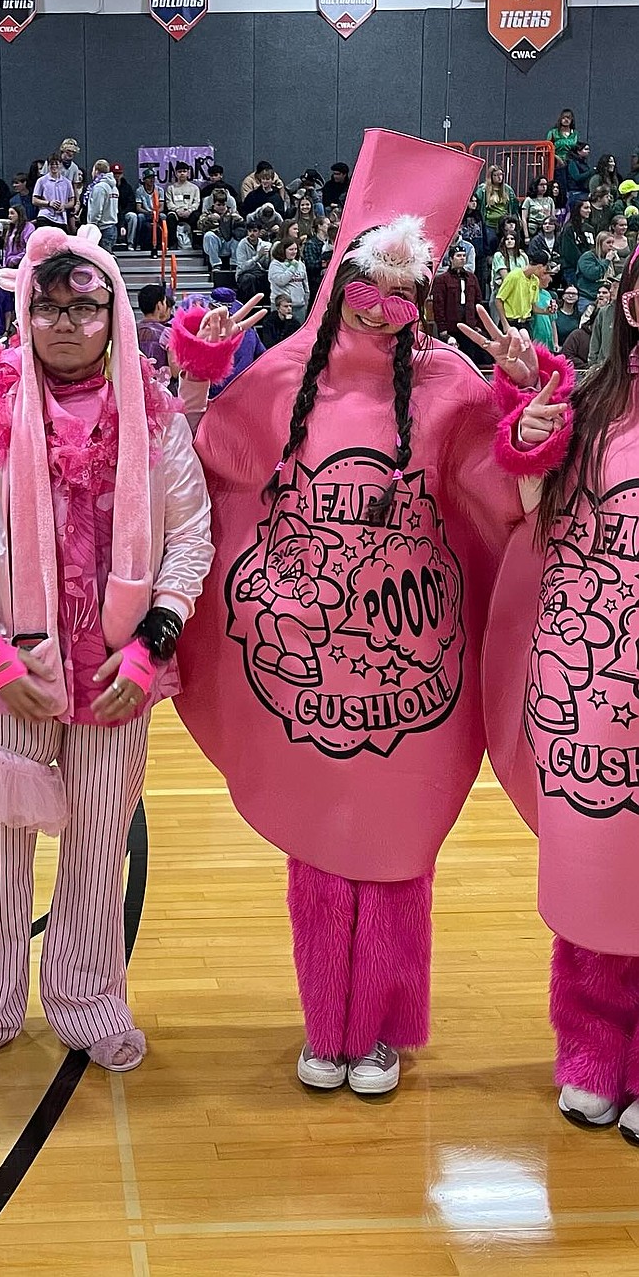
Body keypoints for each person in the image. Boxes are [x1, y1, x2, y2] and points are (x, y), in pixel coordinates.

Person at [175, 136, 554, 1100]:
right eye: (369, 284)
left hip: (410, 668)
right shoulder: (280, 382)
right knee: (319, 849)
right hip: (309, 672)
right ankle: (327, 1024)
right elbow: (198, 472)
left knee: (393, 854)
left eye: (402, 289)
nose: (384, 307)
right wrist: (195, 375)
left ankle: (382, 1028)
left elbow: (500, 497)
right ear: (341, 279)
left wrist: (518, 407)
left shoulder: (444, 388)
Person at [0, 223, 216, 1078]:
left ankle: (88, 996)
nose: (64, 324)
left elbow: (189, 539)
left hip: (119, 671)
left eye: (83, 307)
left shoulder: (156, 419)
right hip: (11, 669)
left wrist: (151, 645)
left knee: (99, 836)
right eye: (47, 308)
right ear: (24, 312)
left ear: (112, 314)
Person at [484, 242, 639, 1147]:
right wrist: (524, 418)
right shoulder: (590, 407)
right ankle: (588, 1053)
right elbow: (523, 486)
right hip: (586, 676)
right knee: (590, 870)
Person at [433, 244, 485, 365]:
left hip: (469, 326)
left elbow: (478, 301)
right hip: (451, 327)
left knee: (470, 360)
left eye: (463, 256)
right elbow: (438, 305)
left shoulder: (472, 278)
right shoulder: (442, 280)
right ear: (451, 259)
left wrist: (478, 324)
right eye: (458, 256)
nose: (462, 258)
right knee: (452, 361)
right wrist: (442, 328)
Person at [476, 164, 520, 254]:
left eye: (500, 175)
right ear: (490, 176)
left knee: (506, 244)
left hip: (504, 225)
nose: (499, 177)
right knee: (491, 245)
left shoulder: (508, 189)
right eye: (495, 175)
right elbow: (477, 204)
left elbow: (514, 206)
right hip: (489, 224)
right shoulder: (483, 189)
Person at [267, 238, 311, 322]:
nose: (294, 252)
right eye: (291, 249)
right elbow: (281, 281)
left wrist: (305, 301)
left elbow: (305, 285)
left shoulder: (300, 264)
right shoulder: (275, 264)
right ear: (283, 250)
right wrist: (292, 267)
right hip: (281, 307)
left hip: (299, 306)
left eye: (295, 249)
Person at [199, 191, 241, 274]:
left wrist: (240, 220)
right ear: (214, 204)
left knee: (237, 236)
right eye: (219, 205)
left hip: (228, 242)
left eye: (223, 205)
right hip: (215, 243)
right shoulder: (207, 213)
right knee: (209, 235)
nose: (221, 207)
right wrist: (209, 219)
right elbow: (200, 226)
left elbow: (242, 228)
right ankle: (216, 264)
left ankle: (234, 264)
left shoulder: (233, 213)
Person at [32, 154, 75, 233]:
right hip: (45, 216)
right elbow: (34, 200)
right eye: (52, 164)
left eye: (56, 164)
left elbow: (72, 201)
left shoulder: (67, 182)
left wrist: (64, 206)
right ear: (48, 166)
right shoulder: (41, 181)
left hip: (61, 219)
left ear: (61, 165)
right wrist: (49, 203)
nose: (54, 166)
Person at [86, 159, 120, 252]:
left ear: (96, 171)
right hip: (112, 227)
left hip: (102, 229)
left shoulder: (99, 188)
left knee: (102, 261)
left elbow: (96, 209)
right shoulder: (114, 187)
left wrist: (92, 224)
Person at [165, 162, 201, 249]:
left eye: (184, 171)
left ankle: (196, 243)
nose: (182, 173)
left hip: (189, 212)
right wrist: (177, 210)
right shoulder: (171, 188)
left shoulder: (194, 188)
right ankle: (173, 244)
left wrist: (190, 210)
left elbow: (196, 202)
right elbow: (169, 203)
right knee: (170, 217)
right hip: (176, 212)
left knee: (197, 215)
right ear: (176, 173)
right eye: (179, 171)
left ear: (188, 173)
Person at [136, 282, 170, 369]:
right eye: (165, 302)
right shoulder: (166, 333)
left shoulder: (132, 331)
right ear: (159, 305)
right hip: (163, 381)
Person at [130, 168, 164, 253]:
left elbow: (162, 206)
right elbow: (138, 208)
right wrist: (149, 212)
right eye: (149, 178)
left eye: (153, 177)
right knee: (140, 217)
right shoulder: (140, 190)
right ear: (144, 179)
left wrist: (156, 212)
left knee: (163, 217)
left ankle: (164, 243)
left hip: (157, 212)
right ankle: (138, 242)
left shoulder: (159, 190)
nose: (152, 180)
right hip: (145, 213)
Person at [546, 108, 580, 192]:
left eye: (568, 118)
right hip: (557, 162)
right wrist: (557, 158)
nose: (566, 120)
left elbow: (576, 148)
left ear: (572, 120)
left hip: (571, 162)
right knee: (560, 184)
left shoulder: (575, 133)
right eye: (564, 118)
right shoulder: (553, 132)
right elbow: (547, 147)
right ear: (560, 119)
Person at [522, 176, 557, 240]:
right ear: (536, 185)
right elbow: (524, 219)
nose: (544, 187)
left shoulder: (549, 200)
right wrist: (526, 236)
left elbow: (553, 217)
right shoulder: (529, 200)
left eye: (545, 185)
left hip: (546, 229)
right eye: (541, 184)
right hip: (532, 229)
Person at [112, 164, 138, 248]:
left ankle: (131, 243)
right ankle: (112, 242)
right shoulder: (109, 187)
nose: (117, 176)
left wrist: (123, 213)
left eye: (119, 174)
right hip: (112, 213)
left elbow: (131, 203)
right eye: (115, 174)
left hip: (124, 212)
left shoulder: (127, 187)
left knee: (133, 216)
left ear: (122, 174)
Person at [3, 203, 35, 268]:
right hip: (9, 264)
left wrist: (16, 259)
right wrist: (4, 263)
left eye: (12, 213)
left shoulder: (28, 227)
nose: (9, 216)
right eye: (9, 213)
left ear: (19, 214)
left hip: (22, 263)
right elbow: (6, 249)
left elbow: (29, 247)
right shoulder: (10, 229)